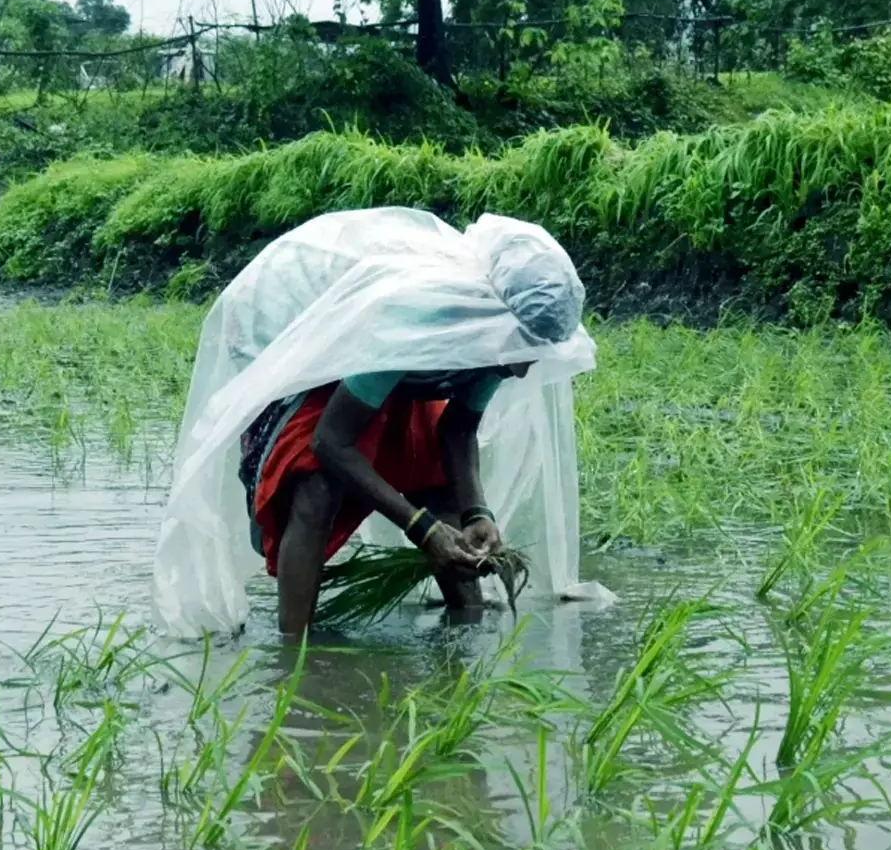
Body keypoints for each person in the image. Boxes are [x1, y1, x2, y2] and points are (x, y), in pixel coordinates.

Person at [153, 209, 598, 638]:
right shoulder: (415, 315)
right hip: (299, 342)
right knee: (316, 486)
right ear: (494, 317)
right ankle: (294, 652)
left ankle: (467, 631)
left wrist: (476, 513)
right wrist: (422, 528)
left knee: (440, 482)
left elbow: (458, 428)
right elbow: (331, 441)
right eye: (522, 350)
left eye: (532, 354)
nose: (522, 369)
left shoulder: (497, 341)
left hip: (387, 368)